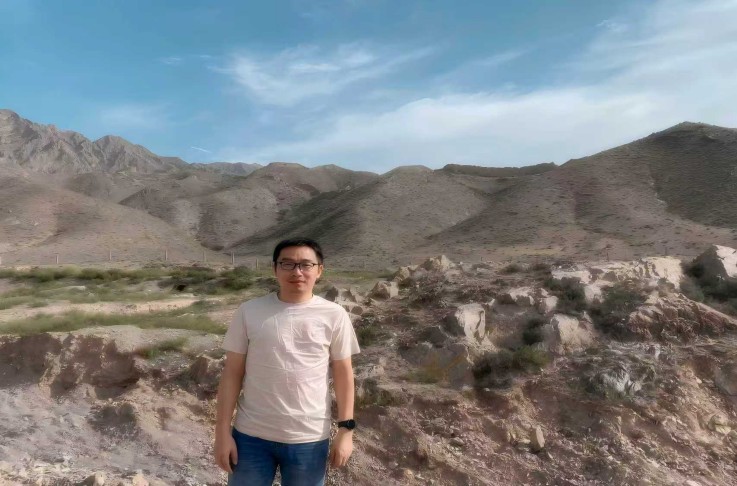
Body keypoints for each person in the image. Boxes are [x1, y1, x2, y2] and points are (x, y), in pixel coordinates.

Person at [214, 237, 360, 486]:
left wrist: (346, 431)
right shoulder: (249, 311)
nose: (297, 272)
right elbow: (232, 373)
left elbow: (343, 373)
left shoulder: (334, 315)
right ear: (275, 268)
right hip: (250, 437)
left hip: (309, 439)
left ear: (319, 270)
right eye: (287, 264)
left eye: (306, 265)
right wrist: (221, 433)